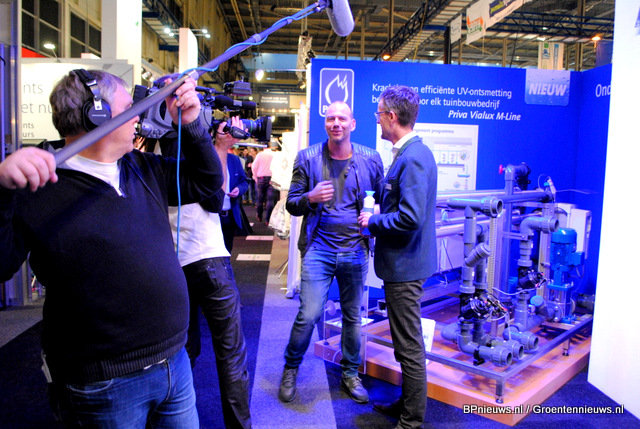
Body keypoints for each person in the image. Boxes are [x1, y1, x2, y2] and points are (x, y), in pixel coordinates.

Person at [0, 69, 222, 428]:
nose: (137, 117)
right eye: (128, 107)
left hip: (174, 361)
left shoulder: (140, 166)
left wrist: (192, 124)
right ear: (97, 115)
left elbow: (207, 182)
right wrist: (2, 193)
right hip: (103, 383)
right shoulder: (37, 180)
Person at [278, 101, 384, 404]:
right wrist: (310, 197)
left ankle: (350, 374)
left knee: (353, 316)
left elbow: (383, 200)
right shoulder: (308, 157)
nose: (336, 123)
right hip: (318, 249)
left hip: (355, 250)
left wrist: (376, 213)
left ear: (352, 124)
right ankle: (290, 369)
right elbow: (292, 203)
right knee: (309, 314)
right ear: (325, 123)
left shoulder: (371, 159)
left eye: (342, 118)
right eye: (330, 118)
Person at [159, 116, 252, 429]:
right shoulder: (196, 154)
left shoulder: (147, 157)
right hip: (209, 261)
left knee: (184, 351)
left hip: (172, 264)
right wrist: (221, 148)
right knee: (231, 353)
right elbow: (217, 201)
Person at [358, 85, 437, 429]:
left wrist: (373, 222)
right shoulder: (409, 154)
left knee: (409, 347)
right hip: (403, 265)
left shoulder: (413, 157)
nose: (377, 120)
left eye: (379, 114)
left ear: (391, 116)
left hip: (405, 267)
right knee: (406, 344)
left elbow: (410, 218)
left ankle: (411, 421)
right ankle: (407, 405)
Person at [251, 143, 278, 224]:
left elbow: (254, 166)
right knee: (270, 200)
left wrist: (255, 177)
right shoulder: (274, 155)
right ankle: (268, 219)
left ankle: (259, 215)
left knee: (260, 198)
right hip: (272, 179)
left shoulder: (260, 155)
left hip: (261, 178)